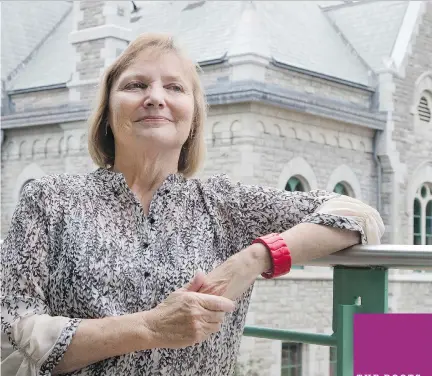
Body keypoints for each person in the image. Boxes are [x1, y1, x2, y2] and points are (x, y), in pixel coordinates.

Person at [1, 33, 385, 376]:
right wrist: (150, 328)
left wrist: (254, 258)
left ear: (193, 120)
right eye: (136, 85)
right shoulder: (50, 199)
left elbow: (360, 215)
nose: (155, 97)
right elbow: (11, 335)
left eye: (174, 87)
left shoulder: (224, 204)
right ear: (107, 114)